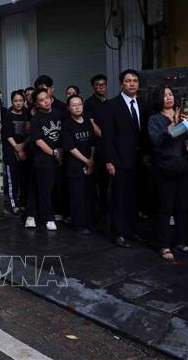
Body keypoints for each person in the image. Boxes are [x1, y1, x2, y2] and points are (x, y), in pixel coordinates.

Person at [148, 85, 188, 261]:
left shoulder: (184, 114)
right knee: (165, 208)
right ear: (158, 99)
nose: (168, 97)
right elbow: (158, 142)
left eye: (170, 94)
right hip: (165, 168)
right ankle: (164, 245)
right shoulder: (154, 119)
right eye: (164, 95)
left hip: (184, 166)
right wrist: (174, 124)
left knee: (182, 207)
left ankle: (181, 241)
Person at [104, 69, 149, 248]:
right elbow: (107, 135)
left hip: (138, 160)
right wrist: (109, 160)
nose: (132, 84)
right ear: (122, 84)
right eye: (128, 81)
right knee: (119, 199)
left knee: (134, 198)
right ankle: (118, 233)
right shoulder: (112, 105)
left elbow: (144, 133)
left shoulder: (143, 104)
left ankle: (131, 231)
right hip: (119, 160)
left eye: (135, 81)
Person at [26, 88, 64, 231]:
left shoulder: (59, 113)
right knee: (43, 189)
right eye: (41, 100)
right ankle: (47, 217)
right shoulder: (36, 119)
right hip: (43, 159)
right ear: (36, 104)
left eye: (47, 97)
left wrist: (61, 152)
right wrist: (54, 153)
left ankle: (40, 214)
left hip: (58, 156)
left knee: (51, 188)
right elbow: (38, 141)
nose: (46, 101)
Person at [62, 94, 96, 234]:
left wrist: (92, 160)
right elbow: (70, 147)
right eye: (73, 105)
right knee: (77, 197)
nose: (77, 107)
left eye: (79, 104)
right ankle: (79, 225)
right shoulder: (67, 124)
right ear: (69, 108)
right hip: (75, 166)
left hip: (90, 163)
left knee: (89, 195)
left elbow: (93, 142)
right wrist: (86, 161)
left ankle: (90, 222)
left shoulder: (88, 121)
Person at [2, 90, 29, 215]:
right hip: (11, 150)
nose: (18, 103)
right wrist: (17, 148)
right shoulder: (8, 114)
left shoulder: (27, 114)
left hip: (25, 148)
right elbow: (7, 134)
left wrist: (23, 147)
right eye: (15, 101)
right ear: (12, 102)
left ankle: (23, 202)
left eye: (20, 101)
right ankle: (14, 204)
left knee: (24, 177)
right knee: (12, 178)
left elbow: (31, 133)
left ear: (24, 101)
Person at [84, 74, 109, 211]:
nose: (101, 87)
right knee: (95, 177)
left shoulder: (108, 101)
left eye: (103, 84)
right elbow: (91, 124)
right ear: (93, 86)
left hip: (107, 145)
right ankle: (95, 205)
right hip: (96, 144)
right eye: (97, 85)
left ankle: (104, 204)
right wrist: (105, 137)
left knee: (105, 178)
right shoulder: (89, 103)